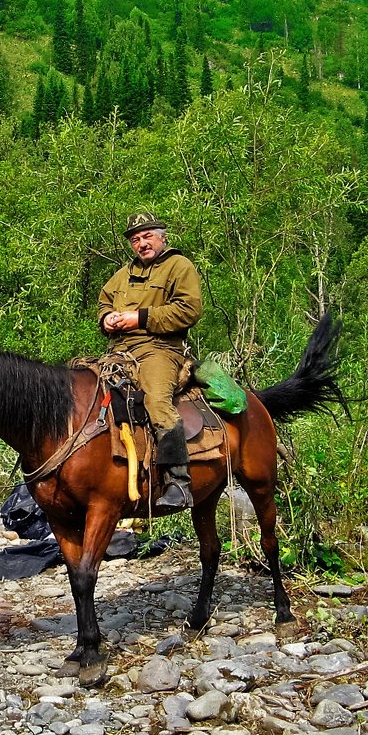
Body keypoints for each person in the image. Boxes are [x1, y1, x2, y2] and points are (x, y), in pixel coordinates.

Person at [98, 212, 203, 511]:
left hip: (160, 349)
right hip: (119, 352)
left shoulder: (178, 266)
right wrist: (107, 318)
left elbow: (188, 310)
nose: (142, 244)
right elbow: (105, 301)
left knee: (157, 400)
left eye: (147, 237)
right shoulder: (121, 274)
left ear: (161, 236)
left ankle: (178, 482)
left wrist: (138, 317)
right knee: (79, 389)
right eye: (135, 240)